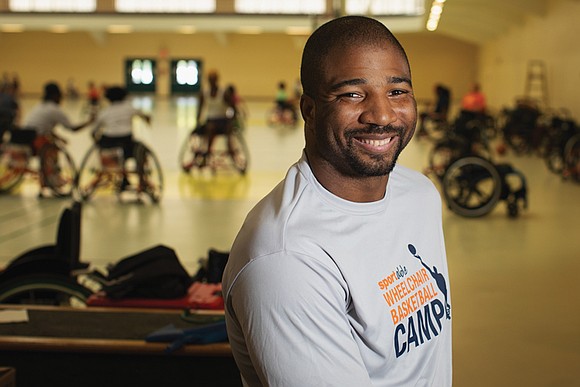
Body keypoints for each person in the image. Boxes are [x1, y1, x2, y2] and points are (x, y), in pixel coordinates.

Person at [222, 15, 452, 387]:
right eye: (352, 94)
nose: (381, 115)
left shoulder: (419, 194)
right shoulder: (288, 259)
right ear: (309, 110)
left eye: (397, 92)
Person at [91, 85, 151, 189]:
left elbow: (93, 132)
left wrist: (98, 144)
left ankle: (123, 178)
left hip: (107, 143)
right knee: (141, 150)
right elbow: (144, 115)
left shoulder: (104, 112)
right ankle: (142, 181)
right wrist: (147, 120)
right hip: (126, 142)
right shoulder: (129, 108)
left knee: (115, 152)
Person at [23, 82, 93, 152]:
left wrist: (60, 138)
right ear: (55, 96)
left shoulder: (39, 106)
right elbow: (73, 128)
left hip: (26, 137)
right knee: (55, 149)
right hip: (37, 140)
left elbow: (44, 129)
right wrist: (89, 122)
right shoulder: (54, 109)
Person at [196, 70, 235, 163]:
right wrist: (197, 121)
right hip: (210, 120)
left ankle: (231, 151)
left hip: (223, 120)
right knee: (208, 128)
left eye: (213, 79)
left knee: (224, 130)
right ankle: (206, 152)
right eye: (210, 79)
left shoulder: (223, 92)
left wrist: (231, 119)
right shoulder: (204, 92)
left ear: (217, 79)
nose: (212, 81)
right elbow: (200, 108)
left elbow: (232, 107)